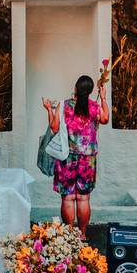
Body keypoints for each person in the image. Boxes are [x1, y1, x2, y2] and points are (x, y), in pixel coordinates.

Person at [42, 75, 109, 239]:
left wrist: (49, 110)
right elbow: (105, 118)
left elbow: (54, 128)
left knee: (68, 198)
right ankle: (83, 234)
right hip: (87, 160)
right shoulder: (94, 107)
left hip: (67, 158)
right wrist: (103, 98)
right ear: (91, 91)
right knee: (83, 198)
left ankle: (69, 235)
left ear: (76, 89)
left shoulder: (65, 106)